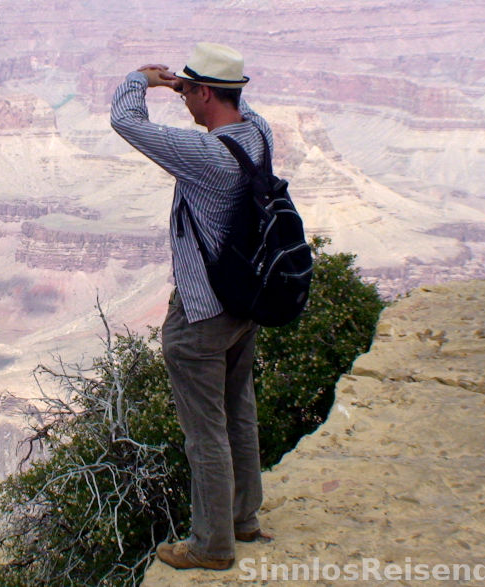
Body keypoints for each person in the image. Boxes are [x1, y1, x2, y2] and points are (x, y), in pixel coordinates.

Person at [110, 42, 273, 571]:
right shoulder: (257, 134)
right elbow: (239, 107)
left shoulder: (206, 156)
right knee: (238, 413)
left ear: (204, 92)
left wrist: (142, 79)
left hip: (203, 311)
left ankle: (211, 545)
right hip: (245, 302)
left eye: (189, 92)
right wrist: (192, 86)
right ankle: (244, 519)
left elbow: (127, 123)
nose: (184, 101)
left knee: (204, 434)